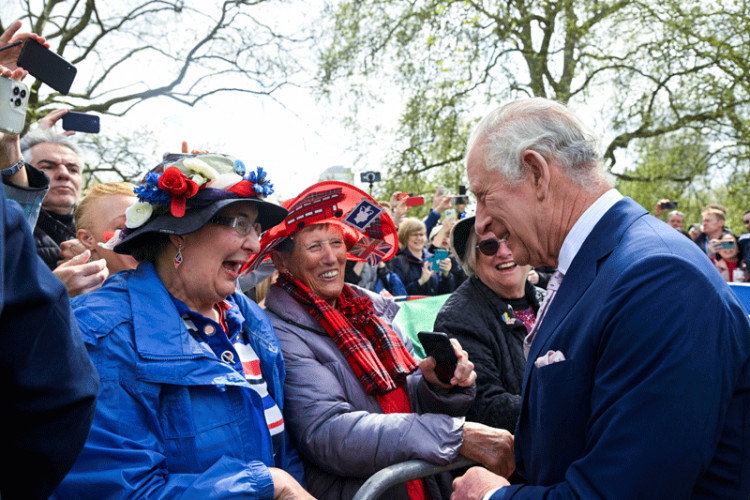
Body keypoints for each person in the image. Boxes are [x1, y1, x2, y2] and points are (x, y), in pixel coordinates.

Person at [452, 98, 750, 499]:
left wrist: (490, 497)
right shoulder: (602, 267)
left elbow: (625, 491)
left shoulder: (658, 277)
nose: (481, 221)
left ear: (537, 172)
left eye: (484, 195)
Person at [53, 154, 311, 499]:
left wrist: (287, 482)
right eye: (239, 224)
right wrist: (267, 485)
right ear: (179, 234)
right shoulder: (100, 334)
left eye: (257, 229)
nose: (253, 244)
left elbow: (284, 449)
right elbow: (116, 491)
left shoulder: (248, 317)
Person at [252, 181, 514, 499]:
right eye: (314, 246)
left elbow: (405, 400)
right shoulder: (280, 331)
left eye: (336, 242)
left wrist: (438, 382)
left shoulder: (371, 310)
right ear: (281, 261)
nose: (330, 257)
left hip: (421, 484)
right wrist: (453, 436)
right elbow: (327, 433)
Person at [433, 216, 544, 432]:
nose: (504, 252)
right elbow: (484, 405)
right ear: (473, 258)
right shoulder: (458, 318)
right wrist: (568, 405)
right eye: (489, 246)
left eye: (510, 239)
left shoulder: (549, 300)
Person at [72, 181, 139, 276]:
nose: (140, 235)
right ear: (87, 238)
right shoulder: (70, 290)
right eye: (122, 228)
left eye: (145, 226)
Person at [391, 216, 454, 296]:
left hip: (434, 307)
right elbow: (398, 294)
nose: (419, 238)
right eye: (415, 235)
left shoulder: (433, 258)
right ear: (405, 237)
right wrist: (420, 282)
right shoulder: (398, 261)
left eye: (421, 234)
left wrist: (446, 274)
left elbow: (445, 293)